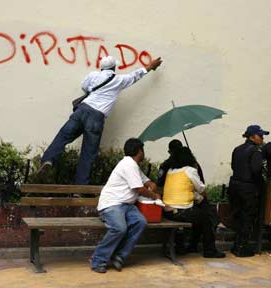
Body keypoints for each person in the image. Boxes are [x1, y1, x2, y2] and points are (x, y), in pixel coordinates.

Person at [37, 56, 163, 184]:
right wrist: (151, 66)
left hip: (81, 110)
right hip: (96, 117)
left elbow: (85, 87)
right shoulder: (118, 80)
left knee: (63, 136)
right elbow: (135, 75)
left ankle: (48, 160)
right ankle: (80, 188)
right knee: (88, 152)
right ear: (114, 67)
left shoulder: (93, 75)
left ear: (102, 67)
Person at [90, 138, 160, 273]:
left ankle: (119, 256)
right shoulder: (128, 164)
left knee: (140, 222)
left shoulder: (134, 166)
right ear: (140, 151)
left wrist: (151, 184)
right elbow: (139, 189)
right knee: (119, 228)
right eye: (143, 150)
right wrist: (154, 196)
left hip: (127, 206)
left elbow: (145, 182)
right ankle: (98, 260)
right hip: (112, 204)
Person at [162, 147, 225, 258]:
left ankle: (193, 246)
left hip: (167, 211)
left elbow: (184, 189)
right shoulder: (190, 170)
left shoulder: (170, 171)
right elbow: (201, 189)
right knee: (207, 218)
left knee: (199, 216)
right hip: (182, 211)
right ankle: (209, 251)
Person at [228, 125, 269, 257]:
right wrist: (262, 186)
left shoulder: (237, 149)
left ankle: (236, 245)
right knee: (247, 217)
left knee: (238, 216)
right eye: (260, 136)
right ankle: (242, 247)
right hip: (248, 188)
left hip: (234, 186)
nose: (262, 138)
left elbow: (234, 166)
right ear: (252, 136)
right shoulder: (256, 151)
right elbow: (256, 171)